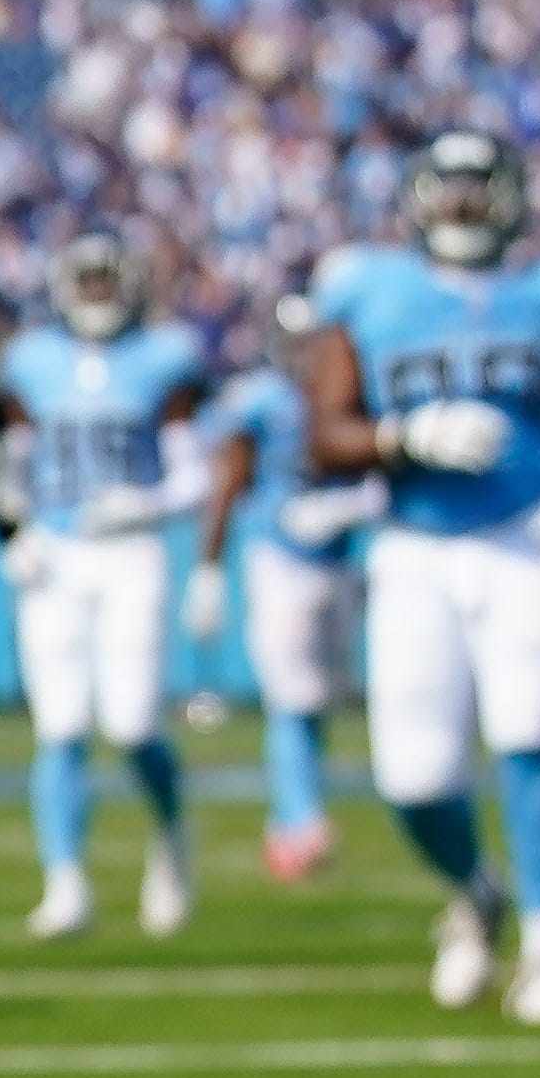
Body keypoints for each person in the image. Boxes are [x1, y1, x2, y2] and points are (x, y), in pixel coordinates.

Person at [307, 131, 540, 1023]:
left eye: (480, 188)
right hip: (415, 543)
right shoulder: (371, 290)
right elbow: (323, 435)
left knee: (530, 730)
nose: (463, 205)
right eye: (448, 188)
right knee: (413, 775)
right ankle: (476, 889)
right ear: (416, 197)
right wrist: (403, 437)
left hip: (530, 533)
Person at [0, 231, 210, 939]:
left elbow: (193, 473)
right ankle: (66, 882)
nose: (97, 295)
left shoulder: (162, 357)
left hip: (132, 552)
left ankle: (172, 837)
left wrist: (144, 504)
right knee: (59, 724)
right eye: (85, 282)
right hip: (55, 554)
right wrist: (12, 530)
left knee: (133, 721)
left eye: (107, 281)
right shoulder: (32, 362)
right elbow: (9, 466)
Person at [185, 293, 373, 882]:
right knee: (292, 694)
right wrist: (210, 568)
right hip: (278, 557)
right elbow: (230, 480)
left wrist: (355, 504)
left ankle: (294, 813)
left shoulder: (355, 396)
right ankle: (299, 819)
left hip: (339, 560)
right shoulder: (261, 399)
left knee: (320, 696)